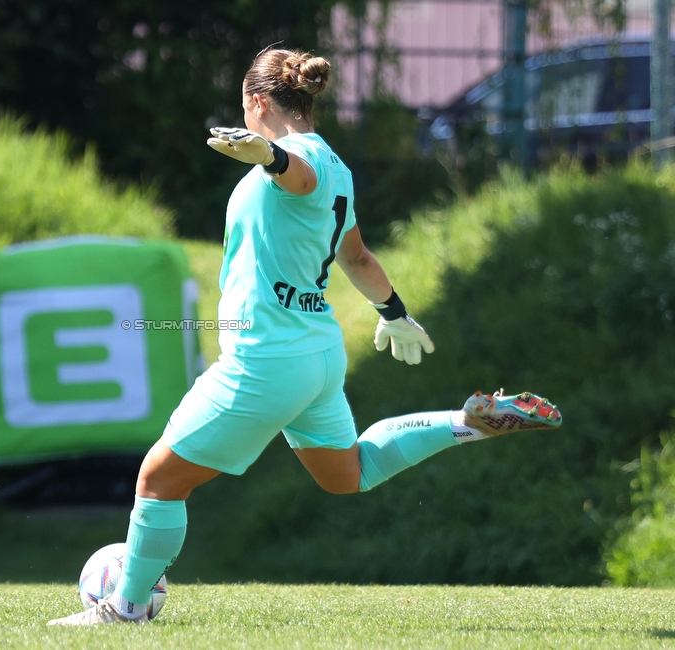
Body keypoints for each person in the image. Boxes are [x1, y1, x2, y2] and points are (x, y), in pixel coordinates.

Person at [47, 47, 562, 626]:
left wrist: (268, 154)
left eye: (246, 109)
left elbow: (296, 176)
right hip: (316, 357)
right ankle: (467, 422)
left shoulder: (295, 161)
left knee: (159, 479)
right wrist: (393, 312)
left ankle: (125, 608)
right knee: (350, 474)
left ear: (257, 102)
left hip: (266, 359)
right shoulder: (339, 167)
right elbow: (357, 255)